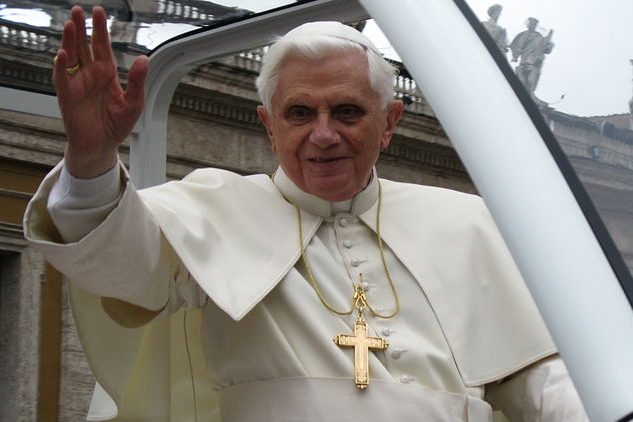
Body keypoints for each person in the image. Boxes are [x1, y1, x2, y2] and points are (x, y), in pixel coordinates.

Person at [25, 6, 588, 421]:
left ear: (388, 123)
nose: (323, 135)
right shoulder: (211, 209)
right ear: (269, 126)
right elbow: (119, 264)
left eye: (347, 111)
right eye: (299, 113)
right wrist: (91, 159)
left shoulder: (469, 224)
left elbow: (536, 377)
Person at [510, 17, 554, 97]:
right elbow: (517, 45)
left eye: (534, 23)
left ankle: (530, 93)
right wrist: (515, 56)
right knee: (523, 80)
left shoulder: (538, 36)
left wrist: (549, 45)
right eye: (531, 23)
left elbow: (545, 49)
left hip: (535, 63)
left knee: (531, 80)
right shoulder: (524, 34)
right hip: (525, 62)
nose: (533, 25)